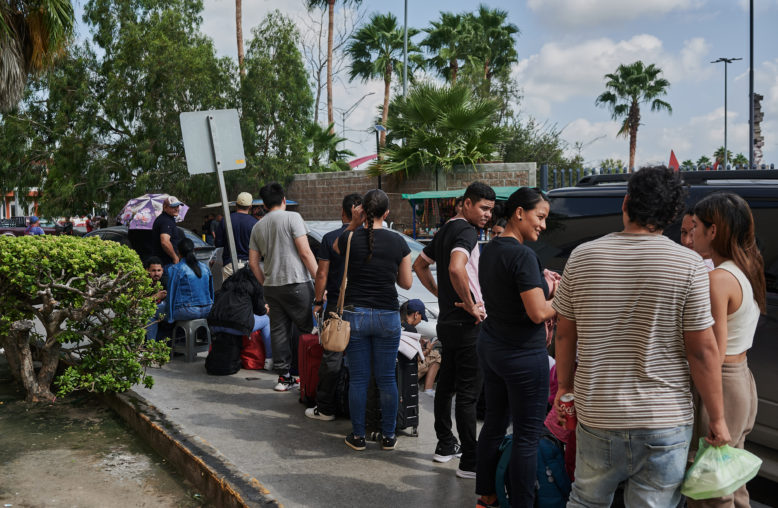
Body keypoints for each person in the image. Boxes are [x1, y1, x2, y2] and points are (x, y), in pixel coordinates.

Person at [552, 166, 730, 507]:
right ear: (675, 216)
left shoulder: (582, 257)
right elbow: (703, 352)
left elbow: (564, 334)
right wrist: (718, 420)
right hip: (664, 419)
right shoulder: (689, 265)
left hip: (598, 412)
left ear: (626, 202)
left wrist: (564, 388)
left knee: (586, 500)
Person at [474, 188, 557, 508]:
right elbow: (538, 312)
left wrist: (544, 284)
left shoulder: (491, 249)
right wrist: (564, 296)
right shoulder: (523, 255)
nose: (544, 225)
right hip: (522, 355)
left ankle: (487, 495)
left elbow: (512, 293)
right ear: (519, 213)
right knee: (526, 435)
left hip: (493, 347)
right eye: (540, 217)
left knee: (494, 422)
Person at [413, 181, 496, 478]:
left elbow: (419, 266)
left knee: (446, 386)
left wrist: (442, 295)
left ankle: (445, 444)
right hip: (466, 323)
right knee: (468, 395)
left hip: (448, 322)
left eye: (491, 210)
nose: (487, 215)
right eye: (483, 208)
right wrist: (471, 304)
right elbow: (456, 268)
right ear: (467, 204)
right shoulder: (465, 231)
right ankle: (470, 462)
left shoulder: (447, 229)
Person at [687, 192, 764, 508]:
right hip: (741, 379)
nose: (691, 237)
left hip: (721, 381)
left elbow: (711, 352)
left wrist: (713, 412)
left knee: (712, 488)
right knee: (729, 478)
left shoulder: (717, 279)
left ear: (713, 230)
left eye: (695, 228)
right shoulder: (747, 267)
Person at [332, 189, 412, 451]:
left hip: (355, 316)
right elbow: (406, 283)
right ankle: (388, 436)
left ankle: (358, 436)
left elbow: (335, 247)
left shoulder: (350, 238)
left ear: (362, 211)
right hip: (388, 316)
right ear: (387, 213)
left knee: (359, 379)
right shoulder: (398, 242)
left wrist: (354, 224)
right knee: (387, 378)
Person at [249, 182, 318, 392]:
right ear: (284, 200)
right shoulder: (293, 218)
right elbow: (305, 252)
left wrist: (265, 282)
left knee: (279, 331)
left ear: (264, 203)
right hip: (297, 282)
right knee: (307, 328)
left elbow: (253, 262)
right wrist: (321, 280)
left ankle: (284, 377)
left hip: (272, 287)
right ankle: (308, 375)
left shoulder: (257, 226)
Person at [306, 193, 362, 421]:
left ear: (343, 213)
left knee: (333, 355)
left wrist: (318, 301)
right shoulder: (372, 237)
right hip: (367, 306)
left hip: (339, 306)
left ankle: (327, 407)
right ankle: (360, 409)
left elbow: (321, 274)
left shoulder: (330, 239)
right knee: (363, 356)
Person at [207, 265, 272, 369]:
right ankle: (269, 360)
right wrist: (266, 309)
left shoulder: (228, 283)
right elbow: (260, 311)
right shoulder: (254, 284)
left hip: (214, 325)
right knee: (266, 320)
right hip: (236, 326)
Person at [164, 238, 214, 323]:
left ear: (178, 252)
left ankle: (152, 337)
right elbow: (211, 290)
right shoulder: (205, 267)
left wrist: (170, 318)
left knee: (155, 313)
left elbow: (171, 294)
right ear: (193, 250)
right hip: (208, 309)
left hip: (188, 310)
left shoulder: (176, 268)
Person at [401, 299, 440, 397]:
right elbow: (415, 359)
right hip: (404, 374)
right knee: (436, 355)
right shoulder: (411, 330)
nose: (420, 321)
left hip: (393, 370)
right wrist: (427, 349)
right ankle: (428, 389)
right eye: (421, 318)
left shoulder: (396, 324)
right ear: (416, 314)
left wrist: (419, 345)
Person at [216, 192, 258, 280]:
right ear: (250, 206)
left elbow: (218, 243)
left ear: (236, 204)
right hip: (248, 266)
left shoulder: (225, 220)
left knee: (228, 293)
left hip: (229, 265)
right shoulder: (255, 223)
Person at [151, 196, 183, 268]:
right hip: (166, 263)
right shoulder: (166, 221)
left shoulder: (167, 219)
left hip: (163, 263)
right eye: (173, 206)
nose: (177, 209)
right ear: (165, 207)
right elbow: (165, 242)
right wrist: (175, 257)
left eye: (178, 206)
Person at [144, 256, 169, 341]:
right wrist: (155, 297)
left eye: (159, 270)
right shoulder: (142, 283)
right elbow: (137, 303)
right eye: (153, 270)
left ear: (162, 270)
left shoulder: (165, 281)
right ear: (147, 270)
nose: (157, 274)